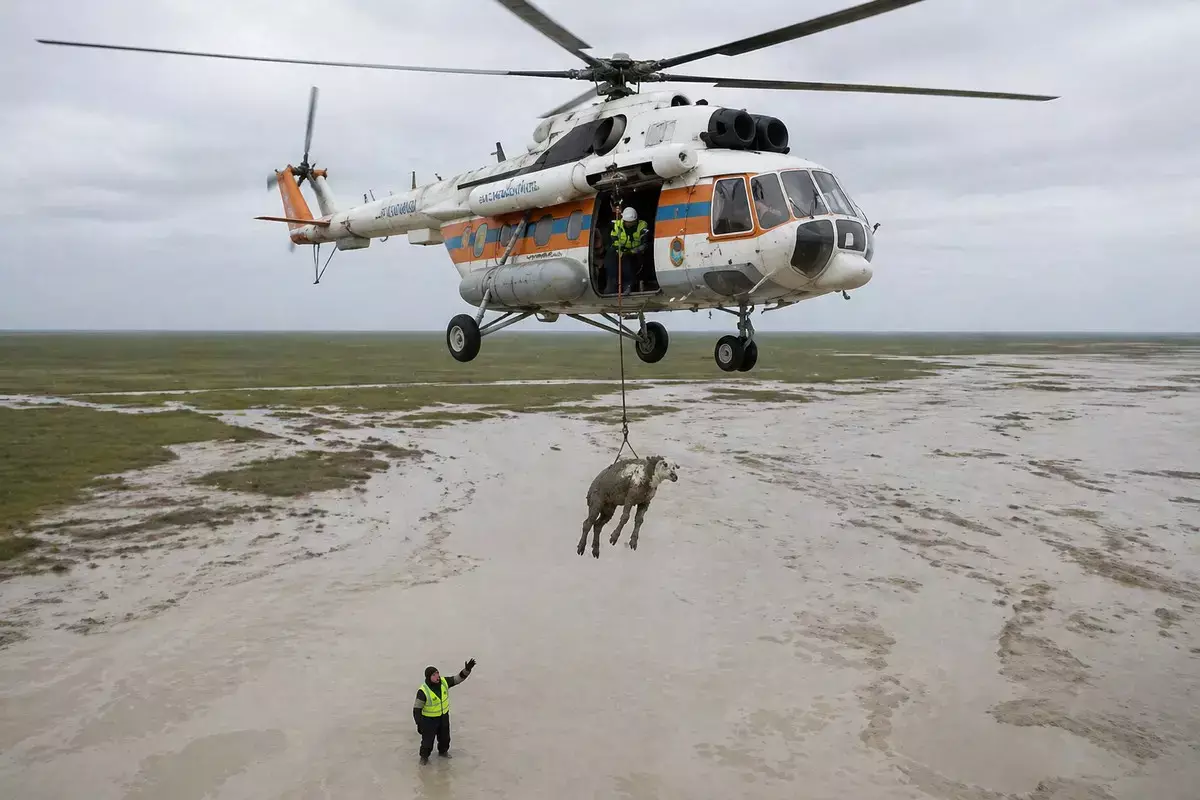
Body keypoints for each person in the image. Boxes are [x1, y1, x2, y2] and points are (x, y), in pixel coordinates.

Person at [414, 659, 476, 764]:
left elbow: (458, 678)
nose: (437, 676)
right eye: (434, 675)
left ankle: (443, 753)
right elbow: (416, 709)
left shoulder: (444, 682)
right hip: (429, 720)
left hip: (443, 717)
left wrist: (467, 670)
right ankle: (424, 758)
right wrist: (419, 724)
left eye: (437, 673)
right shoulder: (423, 691)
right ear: (429, 677)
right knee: (427, 742)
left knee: (445, 739)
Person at [605, 206, 649, 295]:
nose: (629, 224)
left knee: (628, 263)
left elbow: (645, 243)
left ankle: (628, 285)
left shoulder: (642, 226)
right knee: (610, 259)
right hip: (620, 249)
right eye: (628, 222)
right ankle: (612, 286)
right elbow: (613, 239)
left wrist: (633, 251)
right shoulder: (617, 225)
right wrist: (619, 249)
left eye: (632, 222)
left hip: (634, 251)